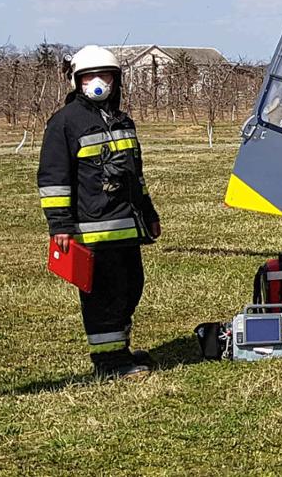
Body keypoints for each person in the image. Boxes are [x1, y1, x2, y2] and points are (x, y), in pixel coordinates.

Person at [39, 46, 160, 380]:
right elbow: (53, 180)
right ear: (77, 81)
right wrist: (60, 225)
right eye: (89, 76)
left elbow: (136, 176)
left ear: (115, 80)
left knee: (131, 287)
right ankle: (108, 364)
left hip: (127, 227)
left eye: (104, 75)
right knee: (104, 297)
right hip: (92, 231)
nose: (97, 82)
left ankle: (119, 350)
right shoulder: (64, 123)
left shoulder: (123, 121)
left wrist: (148, 212)